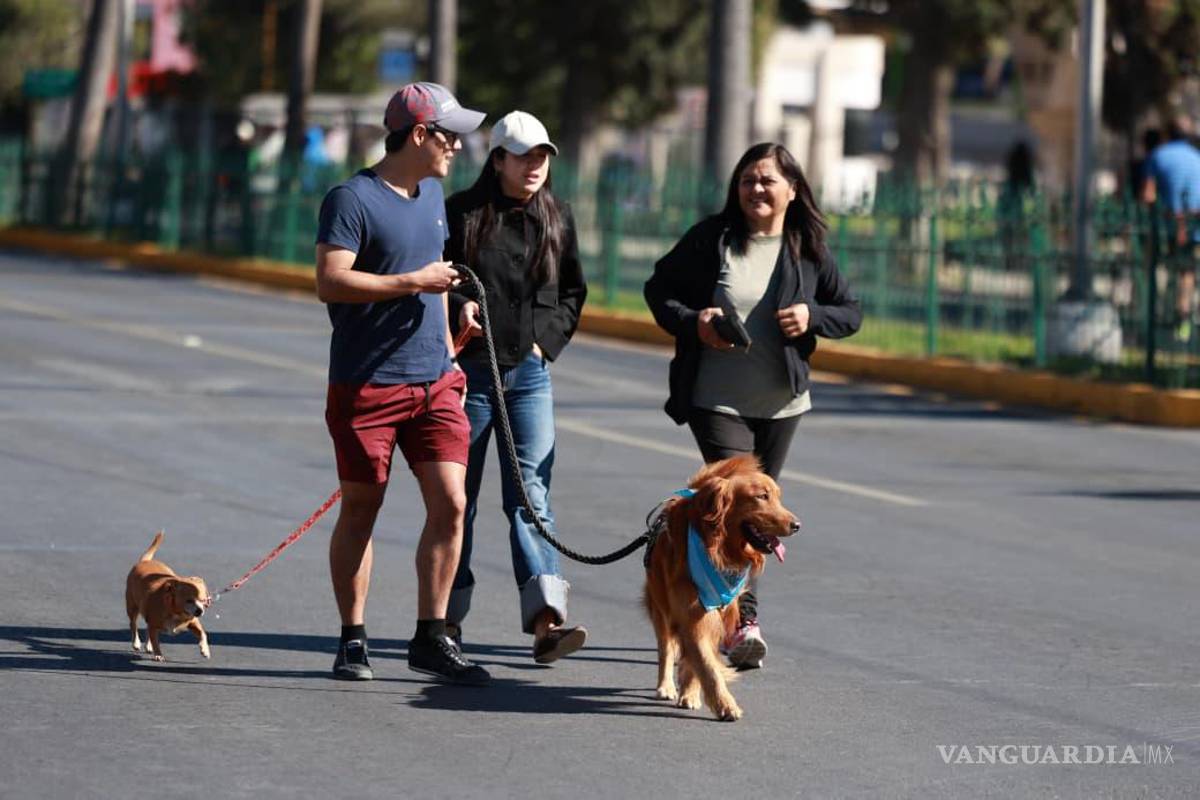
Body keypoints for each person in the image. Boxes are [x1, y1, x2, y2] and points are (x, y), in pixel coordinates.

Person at [643, 142, 861, 669]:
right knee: (739, 509)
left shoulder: (806, 249)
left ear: (792, 189)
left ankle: (716, 614)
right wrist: (695, 321)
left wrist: (813, 317)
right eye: (747, 180)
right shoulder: (711, 240)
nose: (756, 189)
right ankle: (742, 625)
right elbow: (658, 290)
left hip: (782, 404)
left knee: (757, 516)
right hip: (715, 398)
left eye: (767, 180)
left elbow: (849, 312)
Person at [315, 81, 490, 685]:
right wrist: (412, 281)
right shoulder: (351, 198)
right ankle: (353, 636)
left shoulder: (433, 193)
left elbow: (435, 283)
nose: (457, 148)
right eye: (450, 137)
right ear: (419, 135)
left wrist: (449, 347)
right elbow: (331, 281)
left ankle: (431, 636)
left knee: (452, 503)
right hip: (367, 383)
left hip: (435, 381)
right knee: (363, 509)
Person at [444, 111, 589, 663]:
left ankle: (547, 622)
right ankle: (445, 621)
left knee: (531, 499)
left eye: (542, 156)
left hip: (528, 378)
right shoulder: (460, 213)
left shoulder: (557, 217)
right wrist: (460, 309)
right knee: (456, 504)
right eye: (523, 155)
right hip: (468, 376)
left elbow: (573, 291)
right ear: (498, 158)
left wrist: (543, 344)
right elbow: (436, 278)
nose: (535, 166)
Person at [1142, 115, 1200, 343]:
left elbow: (1147, 195)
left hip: (1169, 224)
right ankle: (1182, 319)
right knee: (1187, 273)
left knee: (1153, 263)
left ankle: (1154, 313)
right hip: (1195, 224)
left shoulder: (1158, 155)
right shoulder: (1197, 157)